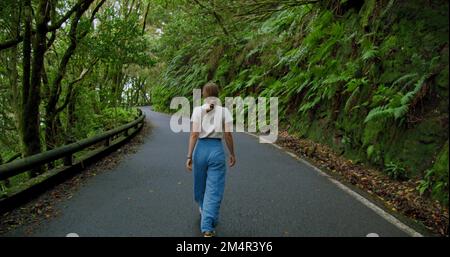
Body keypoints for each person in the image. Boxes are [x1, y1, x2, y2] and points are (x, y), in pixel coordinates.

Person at [186, 82, 236, 237]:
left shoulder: (196, 111)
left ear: (204, 95)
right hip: (216, 151)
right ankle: (208, 226)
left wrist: (189, 156)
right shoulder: (225, 111)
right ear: (218, 94)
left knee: (200, 184)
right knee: (214, 189)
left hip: (200, 150)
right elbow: (228, 135)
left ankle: (204, 210)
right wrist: (232, 153)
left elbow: (194, 134)